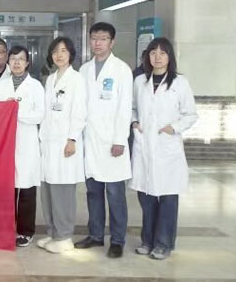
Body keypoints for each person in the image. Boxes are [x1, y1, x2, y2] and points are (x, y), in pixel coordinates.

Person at [131, 37, 198, 260]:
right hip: (144, 145)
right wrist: (134, 123)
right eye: (153, 53)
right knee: (146, 197)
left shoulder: (180, 83)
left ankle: (164, 243)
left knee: (168, 198)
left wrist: (174, 128)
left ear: (169, 57)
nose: (157, 57)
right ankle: (148, 240)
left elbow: (191, 114)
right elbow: (132, 108)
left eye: (162, 53)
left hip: (167, 147)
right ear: (147, 56)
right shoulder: (140, 81)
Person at [74, 22, 133, 258]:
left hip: (112, 141)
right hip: (90, 141)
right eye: (94, 38)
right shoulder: (84, 70)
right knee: (93, 192)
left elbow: (125, 108)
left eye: (103, 38)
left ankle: (117, 240)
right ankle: (96, 235)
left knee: (115, 195)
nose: (98, 43)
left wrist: (120, 140)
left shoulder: (121, 70)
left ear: (112, 42)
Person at [37, 37, 87, 254]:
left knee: (63, 192)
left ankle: (64, 236)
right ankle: (53, 233)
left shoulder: (77, 79)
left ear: (71, 54)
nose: (59, 55)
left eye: (64, 51)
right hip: (49, 142)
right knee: (48, 190)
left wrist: (72, 139)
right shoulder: (50, 79)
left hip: (66, 142)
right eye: (55, 51)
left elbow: (80, 112)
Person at [0, 46, 45, 248]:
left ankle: (25, 231)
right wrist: (5, 109)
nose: (16, 62)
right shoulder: (2, 84)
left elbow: (40, 115)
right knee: (7, 189)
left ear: (27, 63)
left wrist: (16, 112)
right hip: (6, 142)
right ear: (8, 62)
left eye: (21, 59)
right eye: (13, 58)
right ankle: (6, 228)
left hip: (26, 142)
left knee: (26, 189)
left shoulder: (35, 86)